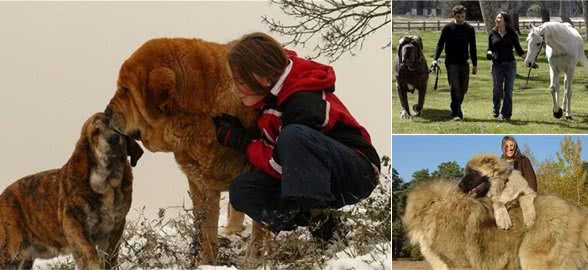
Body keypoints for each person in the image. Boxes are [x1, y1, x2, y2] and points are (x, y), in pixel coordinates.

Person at [213, 32, 380, 242]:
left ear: (261, 77)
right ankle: (315, 221)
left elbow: (282, 165)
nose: (235, 90)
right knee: (242, 190)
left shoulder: (302, 101)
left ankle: (324, 231)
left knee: (293, 136)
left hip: (357, 170)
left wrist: (243, 142)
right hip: (320, 175)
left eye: (239, 81)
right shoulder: (269, 97)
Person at [432, 4, 477, 121]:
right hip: (451, 63)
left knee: (464, 88)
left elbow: (473, 48)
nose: (461, 19)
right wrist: (435, 59)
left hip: (464, 62)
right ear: (454, 16)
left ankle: (454, 106)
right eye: (458, 17)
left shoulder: (469, 29)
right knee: (455, 87)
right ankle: (457, 113)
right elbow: (440, 44)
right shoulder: (448, 28)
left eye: (462, 16)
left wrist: (475, 64)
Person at [487, 12, 525, 121]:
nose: (498, 20)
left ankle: (506, 114)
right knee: (497, 89)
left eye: (500, 18)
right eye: (497, 18)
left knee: (508, 90)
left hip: (510, 65)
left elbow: (519, 50)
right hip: (496, 65)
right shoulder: (492, 34)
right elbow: (489, 48)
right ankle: (496, 108)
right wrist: (489, 53)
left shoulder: (512, 35)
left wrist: (528, 61)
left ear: (505, 21)